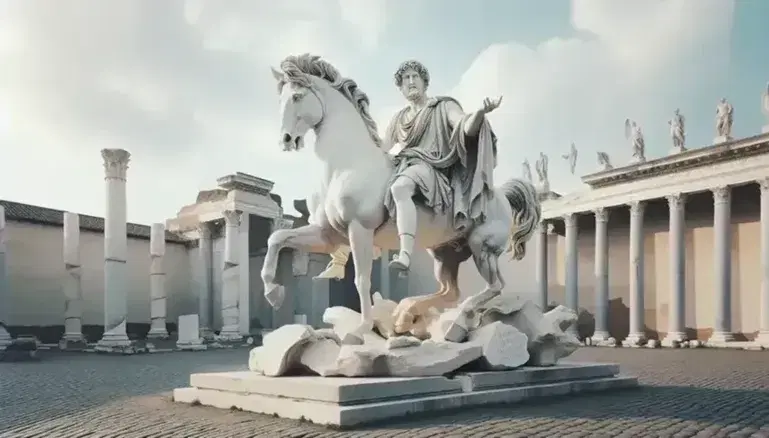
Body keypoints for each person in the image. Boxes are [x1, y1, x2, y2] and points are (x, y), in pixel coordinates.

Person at [383, 59, 502, 272]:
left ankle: (405, 255)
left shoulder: (443, 106)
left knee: (399, 187)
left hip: (430, 168)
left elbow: (464, 126)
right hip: (403, 166)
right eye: (405, 79)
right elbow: (386, 149)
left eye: (415, 77)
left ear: (424, 82)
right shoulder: (399, 119)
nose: (410, 82)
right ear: (400, 88)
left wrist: (480, 114)